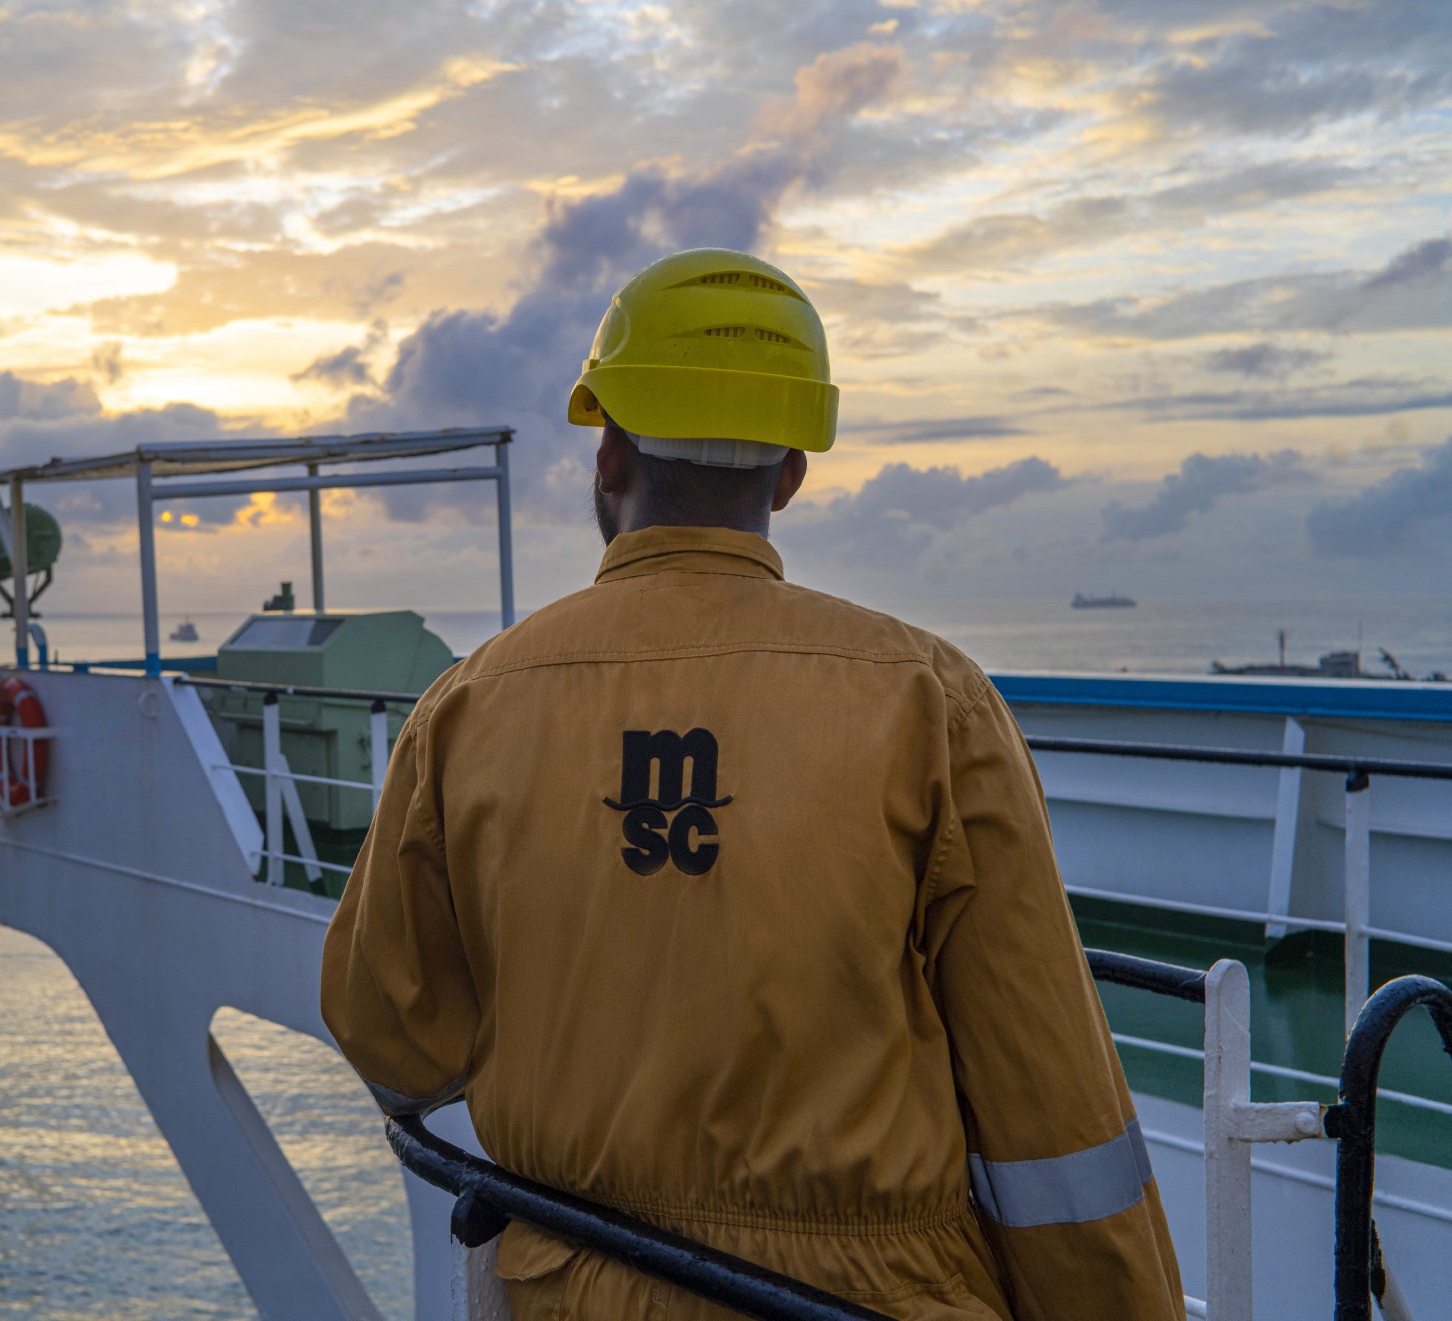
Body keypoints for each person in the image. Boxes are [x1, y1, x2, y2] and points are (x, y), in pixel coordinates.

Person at [320, 247, 1184, 1320]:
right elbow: (1051, 1111)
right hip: (866, 1298)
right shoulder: (928, 699)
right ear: (787, 475)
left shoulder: (468, 706)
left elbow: (394, 1037)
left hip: (569, 1288)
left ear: (608, 454)